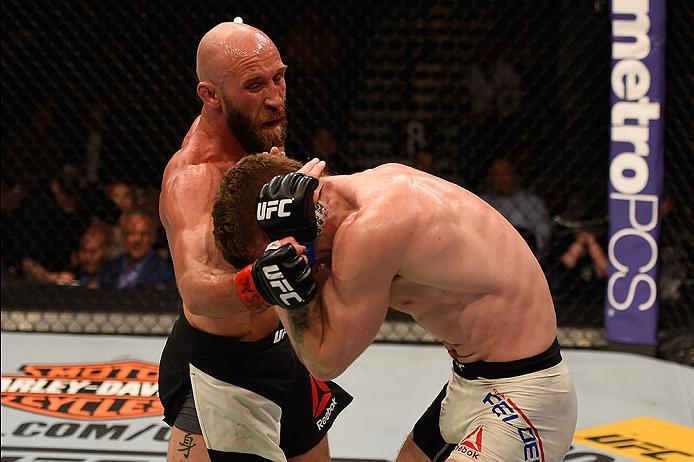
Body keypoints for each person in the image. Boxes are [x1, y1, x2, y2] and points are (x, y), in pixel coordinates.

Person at [212, 154, 578, 462]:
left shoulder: (369, 229)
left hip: (526, 395)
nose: (283, 260)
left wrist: (283, 291)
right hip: (471, 381)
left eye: (274, 252)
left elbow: (325, 362)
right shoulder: (361, 192)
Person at [157, 22, 351, 462]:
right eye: (255, 85)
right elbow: (196, 289)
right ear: (209, 95)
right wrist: (262, 281)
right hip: (222, 367)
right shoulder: (196, 177)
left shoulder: (258, 132)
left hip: (285, 348)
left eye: (279, 77)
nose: (275, 97)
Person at [479, 157, 552, 258]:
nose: (502, 179)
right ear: (490, 177)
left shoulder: (532, 202)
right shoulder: (481, 202)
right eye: (497, 175)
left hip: (529, 255)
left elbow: (543, 234)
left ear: (515, 175)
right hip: (491, 256)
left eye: (506, 174)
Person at [99, 210, 173, 289]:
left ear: (153, 237)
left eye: (143, 234)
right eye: (131, 233)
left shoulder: (163, 271)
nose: (137, 240)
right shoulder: (110, 267)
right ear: (123, 237)